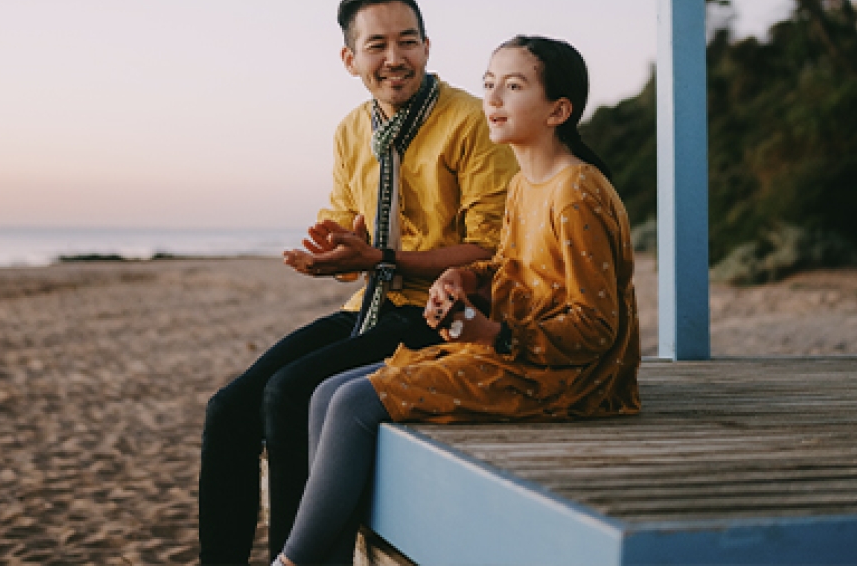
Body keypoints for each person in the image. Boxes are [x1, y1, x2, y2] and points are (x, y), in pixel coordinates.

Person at [274, 35, 641, 566]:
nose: (491, 99)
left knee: (353, 402)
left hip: (568, 376)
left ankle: (291, 562)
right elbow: (511, 268)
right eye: (489, 84)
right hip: (518, 353)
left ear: (558, 110)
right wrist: (463, 279)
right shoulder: (523, 185)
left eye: (513, 87)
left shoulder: (576, 191)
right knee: (326, 393)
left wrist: (494, 335)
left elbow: (597, 327)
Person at [198, 0, 517, 565]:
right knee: (228, 409)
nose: (394, 58)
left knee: (289, 393)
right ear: (350, 59)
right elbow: (349, 234)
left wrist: (381, 260)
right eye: (376, 45)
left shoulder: (471, 121)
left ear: (427, 46)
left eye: (408, 41)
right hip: (369, 306)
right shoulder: (352, 130)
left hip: (442, 315)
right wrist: (331, 255)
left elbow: (490, 253)